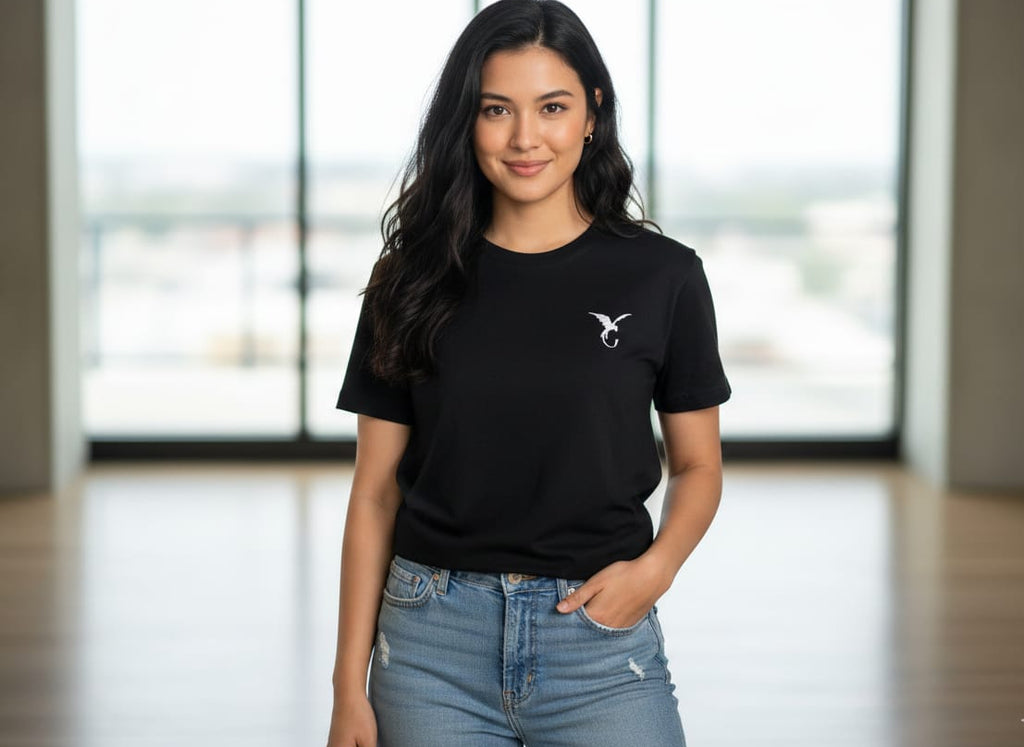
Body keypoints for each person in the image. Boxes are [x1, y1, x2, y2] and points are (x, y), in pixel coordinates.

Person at [326, 1, 731, 745]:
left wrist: (656, 569)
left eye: (552, 107)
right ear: (466, 121)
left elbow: (699, 464)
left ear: (591, 113)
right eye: (495, 109)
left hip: (601, 643)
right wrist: (346, 686)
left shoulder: (662, 277)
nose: (524, 138)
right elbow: (375, 491)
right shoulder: (408, 279)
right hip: (428, 648)